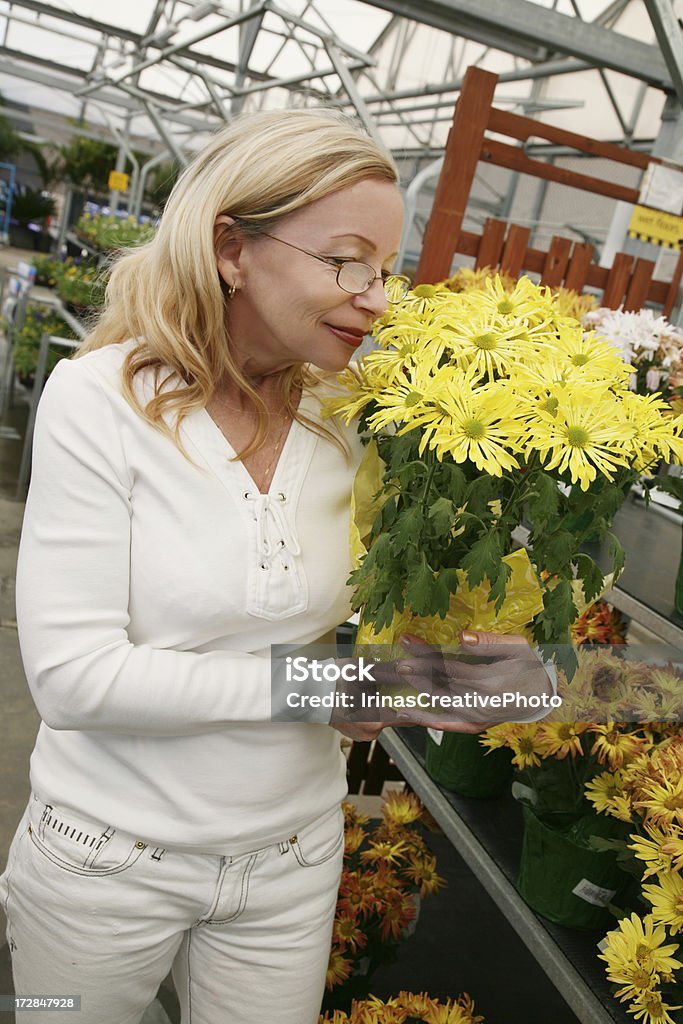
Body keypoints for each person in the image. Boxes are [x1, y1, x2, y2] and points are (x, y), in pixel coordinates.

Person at [0, 108, 551, 1024]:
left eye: (383, 269)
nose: (375, 296)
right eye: (345, 261)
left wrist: (471, 672)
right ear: (230, 249)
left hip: (292, 862)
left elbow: (376, 633)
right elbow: (72, 679)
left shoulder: (354, 414)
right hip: (101, 867)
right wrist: (322, 684)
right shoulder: (100, 400)